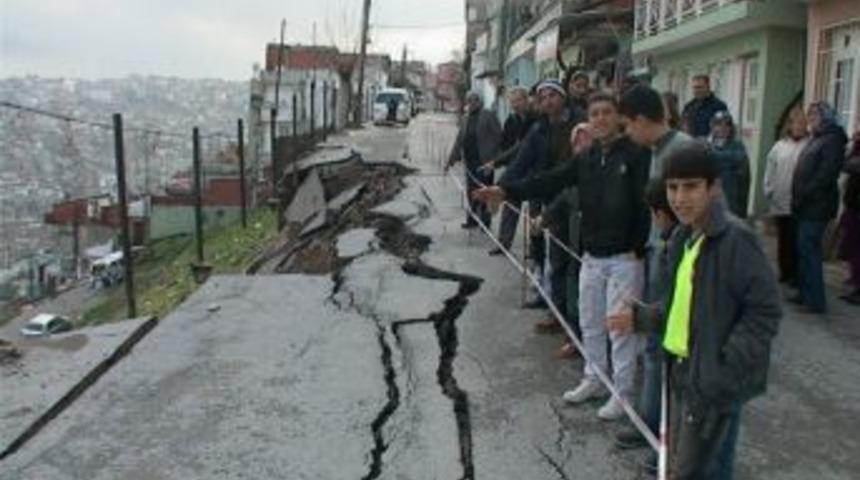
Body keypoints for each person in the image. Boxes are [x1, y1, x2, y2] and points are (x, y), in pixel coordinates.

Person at [608, 142, 782, 479]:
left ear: (713, 188)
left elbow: (765, 311)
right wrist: (642, 318)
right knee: (680, 467)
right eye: (673, 187)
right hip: (682, 373)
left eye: (691, 187)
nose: (679, 198)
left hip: (713, 383)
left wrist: (723, 367)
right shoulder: (683, 238)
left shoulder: (734, 239)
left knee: (700, 471)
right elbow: (682, 308)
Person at [473, 92, 651, 420]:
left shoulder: (637, 155)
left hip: (625, 258)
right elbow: (549, 180)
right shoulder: (585, 159)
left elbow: (646, 207)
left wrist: (638, 249)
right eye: (594, 113)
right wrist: (506, 190)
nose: (599, 118)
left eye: (606, 112)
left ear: (619, 117)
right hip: (592, 256)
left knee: (620, 329)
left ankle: (622, 394)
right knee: (590, 322)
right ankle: (594, 379)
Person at [791, 101, 848, 314]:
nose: (810, 118)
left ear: (825, 116)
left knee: (810, 251)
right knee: (804, 250)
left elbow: (826, 174)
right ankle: (805, 293)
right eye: (810, 114)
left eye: (815, 115)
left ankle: (814, 300)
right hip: (806, 204)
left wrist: (805, 193)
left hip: (817, 206)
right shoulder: (818, 137)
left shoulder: (832, 139)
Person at [484, 86, 535, 255]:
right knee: (510, 206)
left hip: (534, 170)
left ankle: (535, 249)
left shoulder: (536, 119)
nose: (515, 105)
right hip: (515, 169)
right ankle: (503, 244)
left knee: (534, 211)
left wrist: (498, 161)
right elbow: (505, 145)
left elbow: (523, 146)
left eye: (518, 100)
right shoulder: (512, 120)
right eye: (512, 102)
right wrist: (497, 162)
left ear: (527, 99)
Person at [763, 105, 808, 285]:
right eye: (796, 123)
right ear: (789, 126)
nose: (799, 127)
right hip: (780, 198)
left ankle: (796, 274)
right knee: (784, 238)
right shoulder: (779, 146)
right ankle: (785, 271)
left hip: (800, 200)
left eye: (802, 123)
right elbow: (770, 169)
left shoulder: (809, 145)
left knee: (796, 238)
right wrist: (769, 189)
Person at [446, 91, 502, 229]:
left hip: (485, 161)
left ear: (479, 102)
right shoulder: (465, 118)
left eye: (473, 100)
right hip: (470, 162)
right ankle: (472, 220)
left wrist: (495, 158)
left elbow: (498, 136)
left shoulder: (488, 115)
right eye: (468, 100)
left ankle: (485, 222)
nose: (471, 103)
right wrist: (451, 160)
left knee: (485, 191)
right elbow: (459, 140)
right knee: (471, 191)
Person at [708, 111, 751, 218]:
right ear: (712, 126)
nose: (723, 128)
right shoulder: (706, 145)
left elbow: (745, 180)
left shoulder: (738, 147)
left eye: (727, 124)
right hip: (710, 201)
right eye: (718, 124)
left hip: (732, 201)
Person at [838, 124, 860, 305]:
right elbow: (846, 164)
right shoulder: (856, 146)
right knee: (851, 249)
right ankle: (853, 283)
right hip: (853, 205)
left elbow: (851, 165)